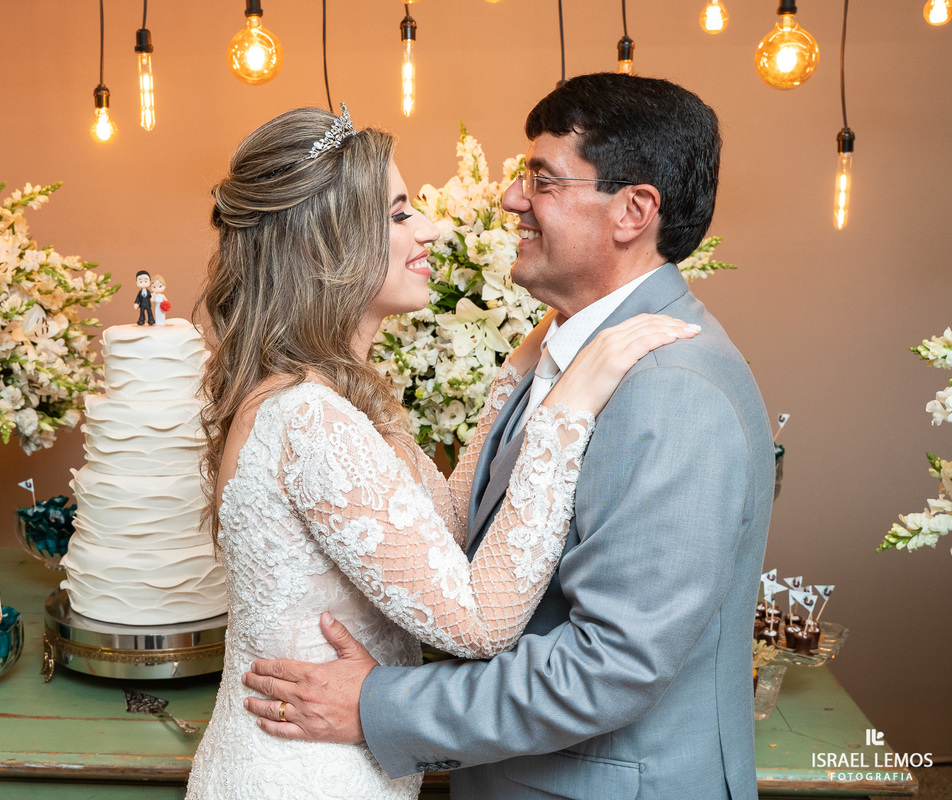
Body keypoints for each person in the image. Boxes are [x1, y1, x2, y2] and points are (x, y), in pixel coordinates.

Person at [243, 75, 775, 800]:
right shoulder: (561, 351)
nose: (511, 200)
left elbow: (607, 668)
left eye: (543, 180)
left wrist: (377, 705)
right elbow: (461, 543)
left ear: (633, 211)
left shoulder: (672, 388)